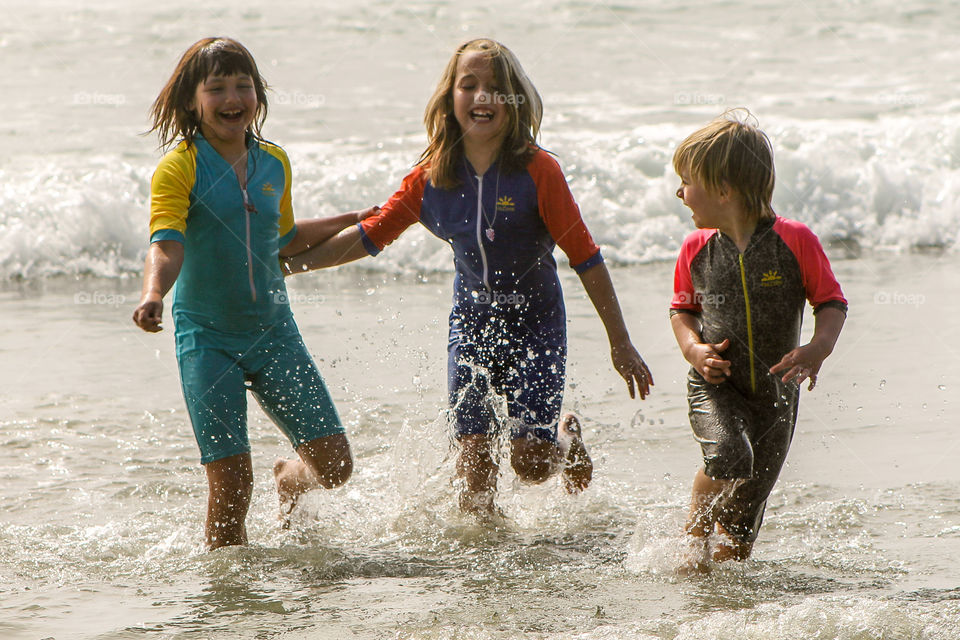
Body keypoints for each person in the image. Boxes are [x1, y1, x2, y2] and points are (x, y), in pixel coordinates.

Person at [283, 38, 653, 517]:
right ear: (449, 99)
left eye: (496, 88)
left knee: (532, 464)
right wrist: (288, 266)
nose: (483, 96)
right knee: (475, 475)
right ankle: (483, 578)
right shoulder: (430, 178)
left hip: (537, 324)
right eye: (469, 85)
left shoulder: (540, 173)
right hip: (473, 327)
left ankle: (565, 439)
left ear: (516, 100)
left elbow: (585, 257)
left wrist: (620, 343)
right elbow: (369, 237)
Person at [132, 37, 371, 549]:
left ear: (258, 94)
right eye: (216, 87)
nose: (232, 97)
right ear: (192, 101)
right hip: (207, 341)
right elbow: (166, 244)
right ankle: (230, 603)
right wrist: (154, 293)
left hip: (273, 333)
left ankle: (290, 477)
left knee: (334, 466)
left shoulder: (275, 163)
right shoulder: (180, 168)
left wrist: (351, 220)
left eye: (243, 85)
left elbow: (283, 240)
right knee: (232, 487)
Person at [670, 110, 847, 569]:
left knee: (742, 526)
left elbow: (831, 301)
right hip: (717, 384)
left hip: (776, 397)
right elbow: (683, 311)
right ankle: (694, 534)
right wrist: (693, 349)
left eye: (687, 181)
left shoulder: (795, 240)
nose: (679, 193)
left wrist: (817, 348)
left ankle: (719, 602)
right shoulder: (696, 249)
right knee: (729, 455)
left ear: (724, 189)